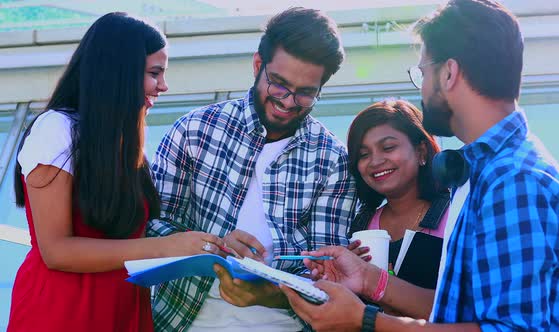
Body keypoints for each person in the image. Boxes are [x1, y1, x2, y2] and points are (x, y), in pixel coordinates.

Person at [280, 0, 559, 331]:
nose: (422, 89)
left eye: (422, 73)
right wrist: (369, 280)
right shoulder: (487, 173)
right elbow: (462, 310)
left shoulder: (514, 181)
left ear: (449, 73)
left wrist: (365, 321)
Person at [8, 12, 226, 332]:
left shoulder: (124, 138)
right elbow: (55, 251)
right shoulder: (56, 129)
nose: (163, 85)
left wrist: (213, 244)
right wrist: (167, 246)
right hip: (62, 313)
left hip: (122, 310)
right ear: (119, 73)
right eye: (155, 73)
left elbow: (138, 234)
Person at [148, 7, 356, 332]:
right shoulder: (193, 131)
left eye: (306, 93)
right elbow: (151, 225)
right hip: (181, 320)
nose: (288, 102)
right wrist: (212, 246)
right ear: (258, 65)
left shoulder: (332, 159)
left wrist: (269, 293)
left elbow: (325, 271)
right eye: (279, 84)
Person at [346, 99, 449, 318]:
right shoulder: (361, 226)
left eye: (388, 147)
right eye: (363, 155)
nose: (375, 161)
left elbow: (461, 307)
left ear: (421, 151)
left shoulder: (454, 217)